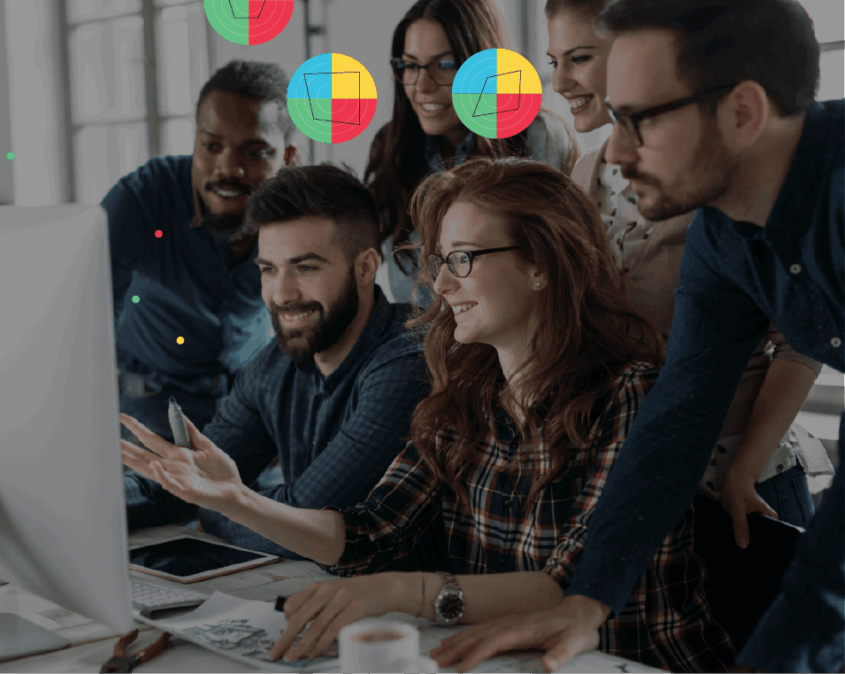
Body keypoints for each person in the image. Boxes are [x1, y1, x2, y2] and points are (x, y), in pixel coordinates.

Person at [120, 157, 738, 673]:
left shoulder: (629, 394)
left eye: (462, 259)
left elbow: (568, 586)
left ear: (542, 264)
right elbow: (369, 533)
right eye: (439, 261)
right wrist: (235, 498)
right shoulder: (462, 396)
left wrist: (404, 591)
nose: (440, 285)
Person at [432, 2, 844, 673]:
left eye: (638, 120)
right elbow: (678, 418)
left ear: (742, 112)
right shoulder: (721, 234)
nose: (616, 153)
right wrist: (586, 601)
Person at [544, 0, 833, 544]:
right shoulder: (580, 172)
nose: (559, 80)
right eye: (552, 60)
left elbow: (799, 340)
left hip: (739, 478)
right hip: (631, 473)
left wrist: (745, 467)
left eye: (580, 57)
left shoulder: (714, 170)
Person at [120, 164, 430, 557]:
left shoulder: (407, 362)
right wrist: (72, 504)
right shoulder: (277, 364)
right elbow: (184, 481)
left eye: (305, 267)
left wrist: (214, 505)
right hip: (314, 593)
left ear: (366, 267)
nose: (282, 294)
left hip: (410, 609)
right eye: (269, 269)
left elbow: (301, 520)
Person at [103, 60, 297, 445]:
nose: (228, 169)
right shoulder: (143, 197)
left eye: (254, 152)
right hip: (151, 400)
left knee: (281, 500)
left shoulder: (303, 211)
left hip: (255, 403)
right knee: (147, 500)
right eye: (211, 146)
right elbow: (85, 311)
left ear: (287, 158)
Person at [364, 0, 579, 307]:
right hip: (420, 346)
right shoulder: (392, 148)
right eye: (410, 65)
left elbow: (557, 276)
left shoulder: (535, 137)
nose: (422, 86)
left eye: (446, 64)